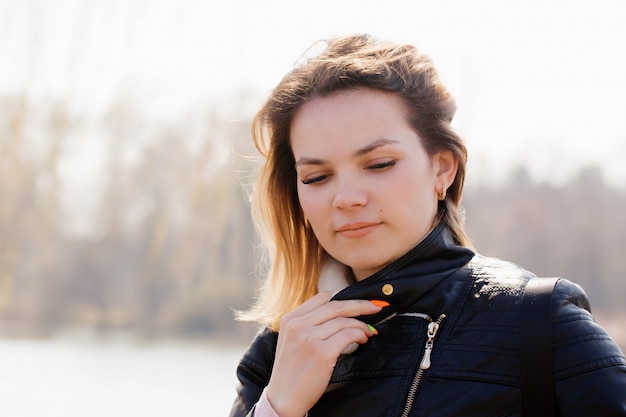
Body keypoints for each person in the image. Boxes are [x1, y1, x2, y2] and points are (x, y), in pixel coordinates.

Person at [229, 34, 626, 417]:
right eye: (317, 177)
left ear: (442, 168)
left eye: (379, 164)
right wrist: (279, 407)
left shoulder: (540, 323)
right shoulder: (277, 354)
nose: (346, 197)